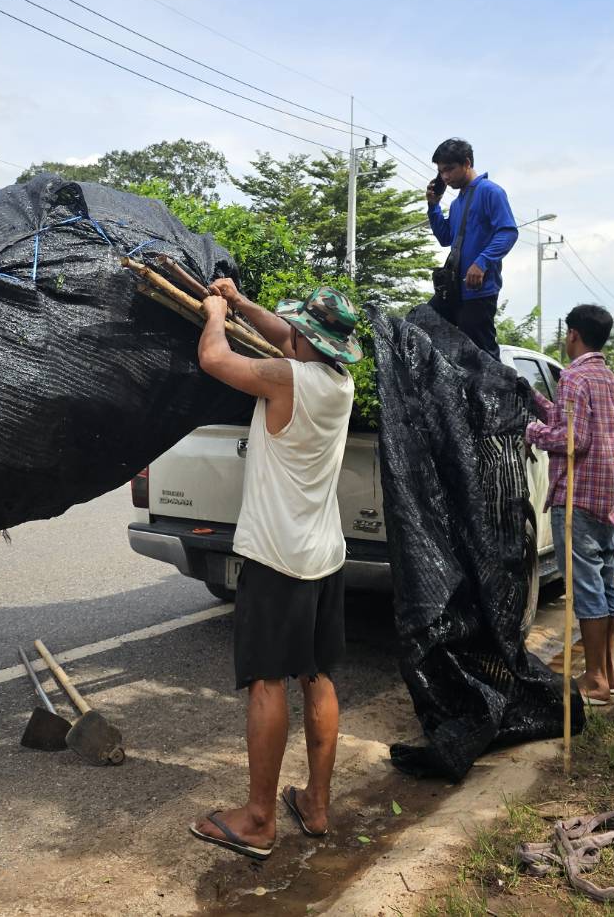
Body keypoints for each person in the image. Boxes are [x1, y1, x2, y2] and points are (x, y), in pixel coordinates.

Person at [187, 280, 361, 861]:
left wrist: (216, 314)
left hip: (276, 557)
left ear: (308, 340)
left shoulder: (287, 378)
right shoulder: (339, 381)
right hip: (324, 554)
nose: (290, 336)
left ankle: (259, 820)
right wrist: (241, 303)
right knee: (318, 675)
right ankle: (316, 803)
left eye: (298, 331)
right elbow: (286, 335)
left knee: (267, 681)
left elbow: (215, 359)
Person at [523, 304, 614, 706]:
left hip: (577, 496)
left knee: (586, 587)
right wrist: (534, 399)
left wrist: (530, 430)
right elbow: (575, 422)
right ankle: (608, 673)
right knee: (603, 582)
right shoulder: (609, 379)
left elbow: (572, 440)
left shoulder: (573, 376)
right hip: (606, 498)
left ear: (573, 334)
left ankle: (596, 679)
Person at [426, 138, 518, 355]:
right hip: (453, 290)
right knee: (422, 321)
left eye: (449, 169)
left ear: (467, 163)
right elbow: (445, 238)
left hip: (478, 291)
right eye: (441, 172)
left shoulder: (491, 192)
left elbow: (508, 232)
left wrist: (481, 263)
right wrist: (433, 206)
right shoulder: (457, 203)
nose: (445, 177)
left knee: (480, 355)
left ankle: (502, 380)